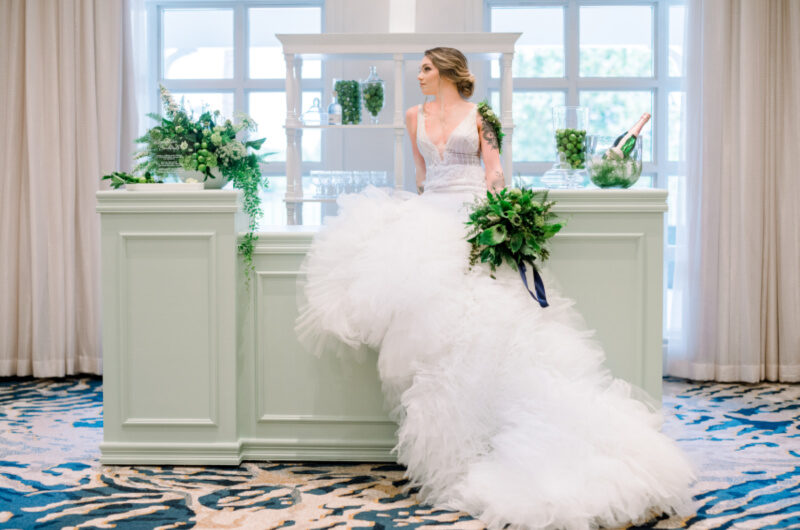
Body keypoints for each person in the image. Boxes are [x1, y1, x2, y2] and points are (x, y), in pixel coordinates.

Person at [295, 47, 695, 530]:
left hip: (475, 221)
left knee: (491, 330)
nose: (418, 76)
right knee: (435, 336)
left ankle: (511, 440)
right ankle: (462, 448)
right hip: (428, 224)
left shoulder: (480, 115)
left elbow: (495, 172)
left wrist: (499, 220)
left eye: (425, 68)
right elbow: (422, 179)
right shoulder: (411, 115)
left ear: (446, 72)